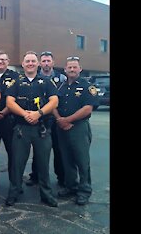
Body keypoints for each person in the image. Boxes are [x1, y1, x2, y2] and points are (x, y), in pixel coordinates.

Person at [5, 51, 59, 207]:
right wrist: (25, 114)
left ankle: (46, 194)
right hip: (22, 128)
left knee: (43, 164)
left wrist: (38, 113)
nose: (30, 63)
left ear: (38, 64)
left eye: (33, 61)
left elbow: (54, 101)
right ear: (23, 64)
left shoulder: (47, 82)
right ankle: (14, 192)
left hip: (41, 129)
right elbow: (9, 102)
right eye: (27, 61)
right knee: (17, 164)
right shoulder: (16, 82)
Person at [53, 56, 98, 205]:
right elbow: (53, 104)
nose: (72, 70)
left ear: (80, 69)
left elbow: (87, 108)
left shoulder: (87, 86)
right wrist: (60, 119)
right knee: (67, 159)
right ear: (65, 69)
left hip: (79, 128)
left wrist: (68, 120)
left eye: (75, 67)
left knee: (82, 160)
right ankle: (71, 186)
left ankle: (84, 190)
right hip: (62, 127)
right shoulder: (60, 86)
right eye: (69, 67)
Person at [26, 51, 67, 187]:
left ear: (53, 63)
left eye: (48, 61)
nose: (46, 63)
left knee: (59, 149)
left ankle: (62, 177)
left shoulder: (61, 78)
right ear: (40, 63)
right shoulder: (36, 78)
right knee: (39, 151)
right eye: (43, 61)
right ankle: (35, 176)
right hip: (41, 120)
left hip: (57, 119)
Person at [0, 50, 19, 187]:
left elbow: (18, 99)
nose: (0, 62)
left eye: (3, 59)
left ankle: (15, 184)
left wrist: (3, 112)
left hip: (9, 121)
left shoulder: (15, 77)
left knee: (13, 153)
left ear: (8, 61)